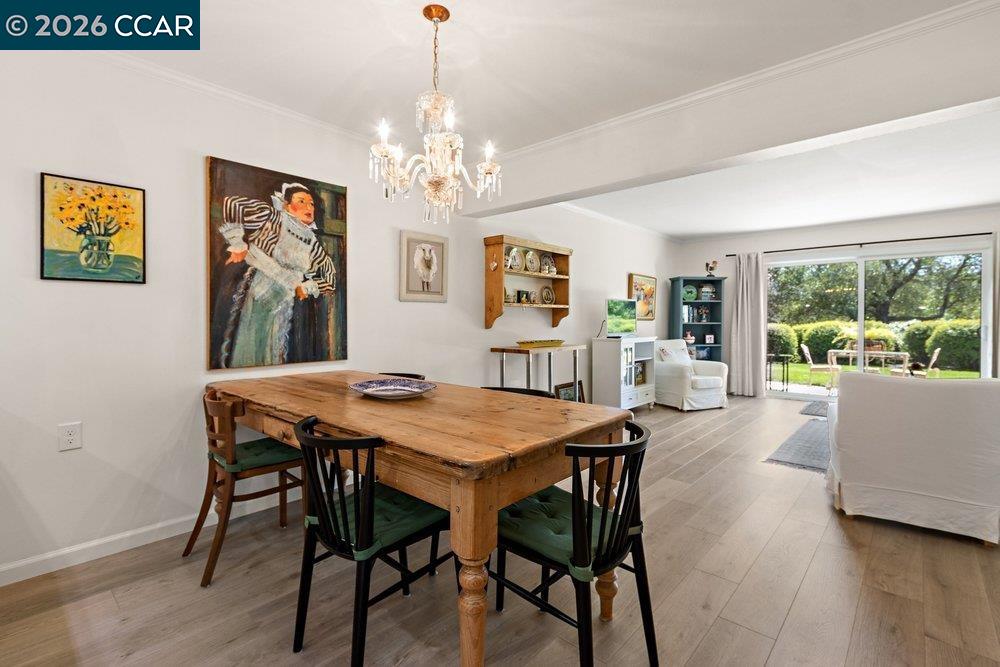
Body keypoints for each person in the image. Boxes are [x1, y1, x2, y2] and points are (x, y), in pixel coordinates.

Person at [216, 182, 336, 367]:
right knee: (248, 345)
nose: (308, 207)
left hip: (284, 302)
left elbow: (329, 275)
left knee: (274, 352)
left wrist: (308, 287)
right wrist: (238, 244)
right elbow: (233, 204)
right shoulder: (273, 218)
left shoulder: (312, 242)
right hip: (256, 292)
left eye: (311, 204)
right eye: (301, 201)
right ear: (287, 205)